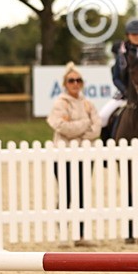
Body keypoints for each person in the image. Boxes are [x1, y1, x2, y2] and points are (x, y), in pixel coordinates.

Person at [47, 63, 102, 244]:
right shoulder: (60, 103)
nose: (75, 83)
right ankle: (63, 233)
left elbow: (97, 129)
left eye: (78, 80)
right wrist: (84, 124)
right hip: (63, 156)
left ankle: (80, 234)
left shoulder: (88, 104)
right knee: (66, 193)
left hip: (84, 156)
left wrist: (75, 126)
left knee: (82, 193)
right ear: (65, 83)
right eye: (71, 80)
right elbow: (61, 126)